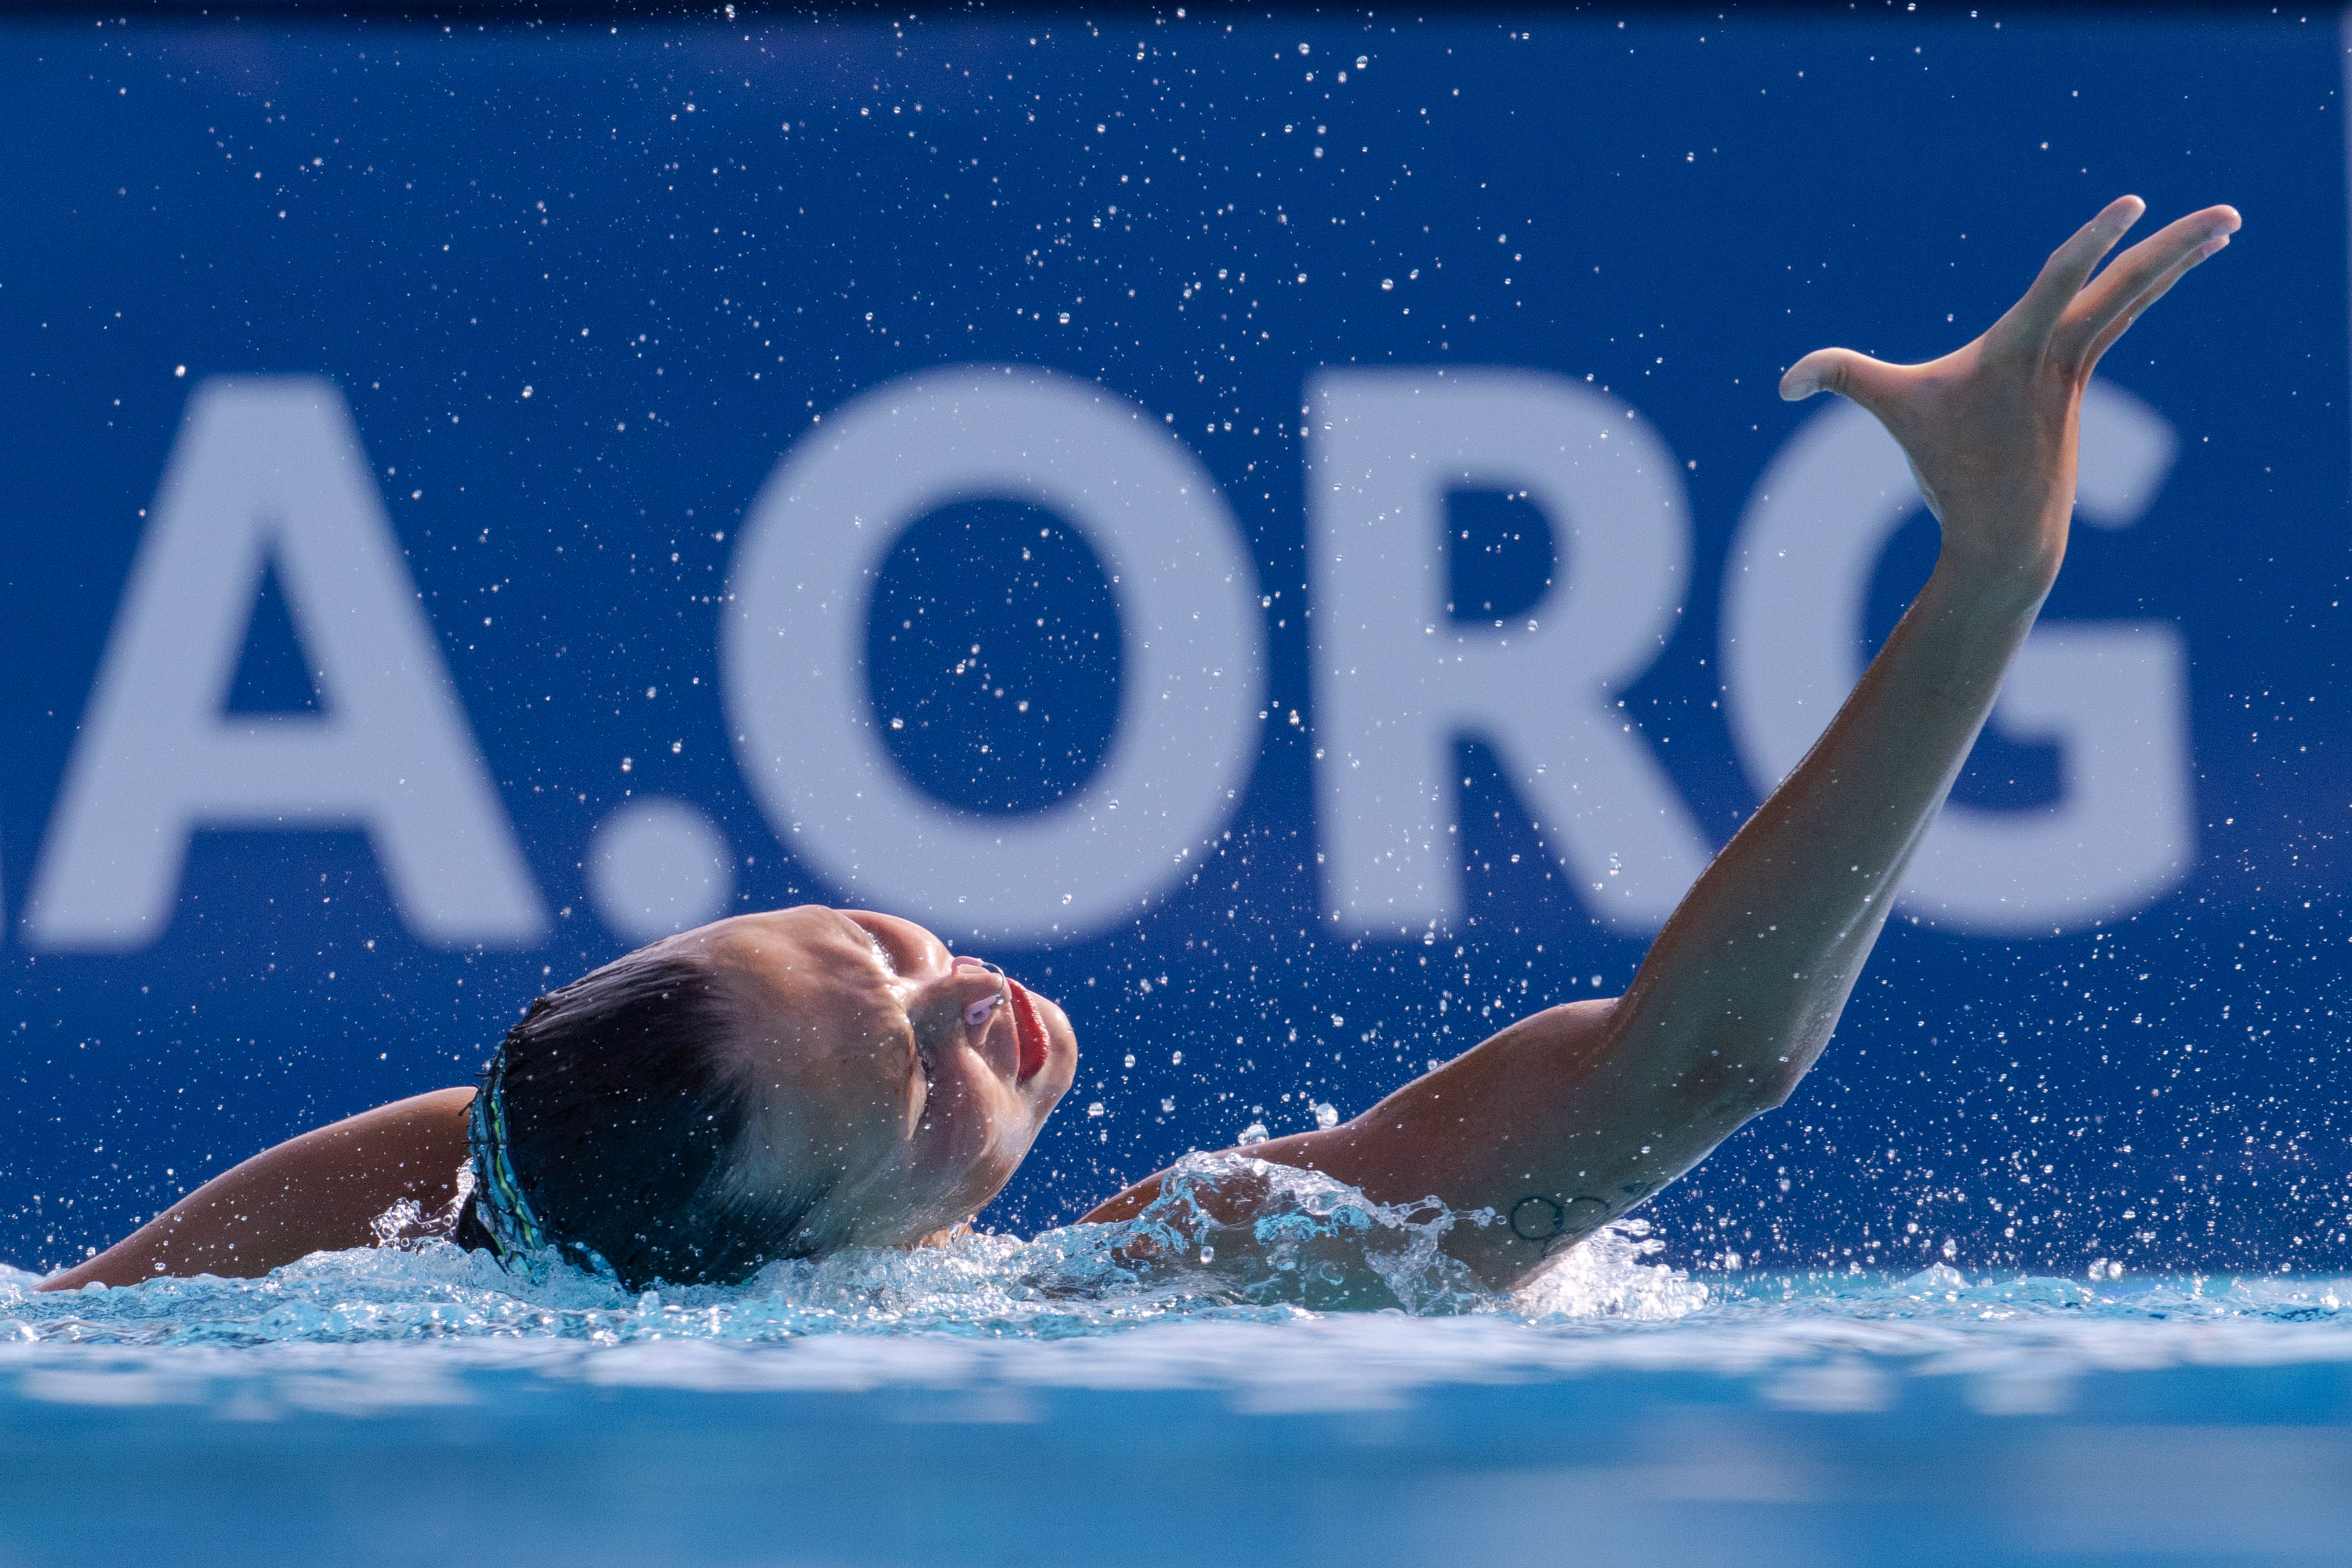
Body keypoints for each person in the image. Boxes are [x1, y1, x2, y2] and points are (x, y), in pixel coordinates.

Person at [39, 197, 2239, 1297]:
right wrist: (1986, 595)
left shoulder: (473, 1194)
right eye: (916, 1075)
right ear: (846, 1255)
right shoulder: (1120, 1310)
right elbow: (1699, 1071)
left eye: (872, 947)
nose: (962, 993)